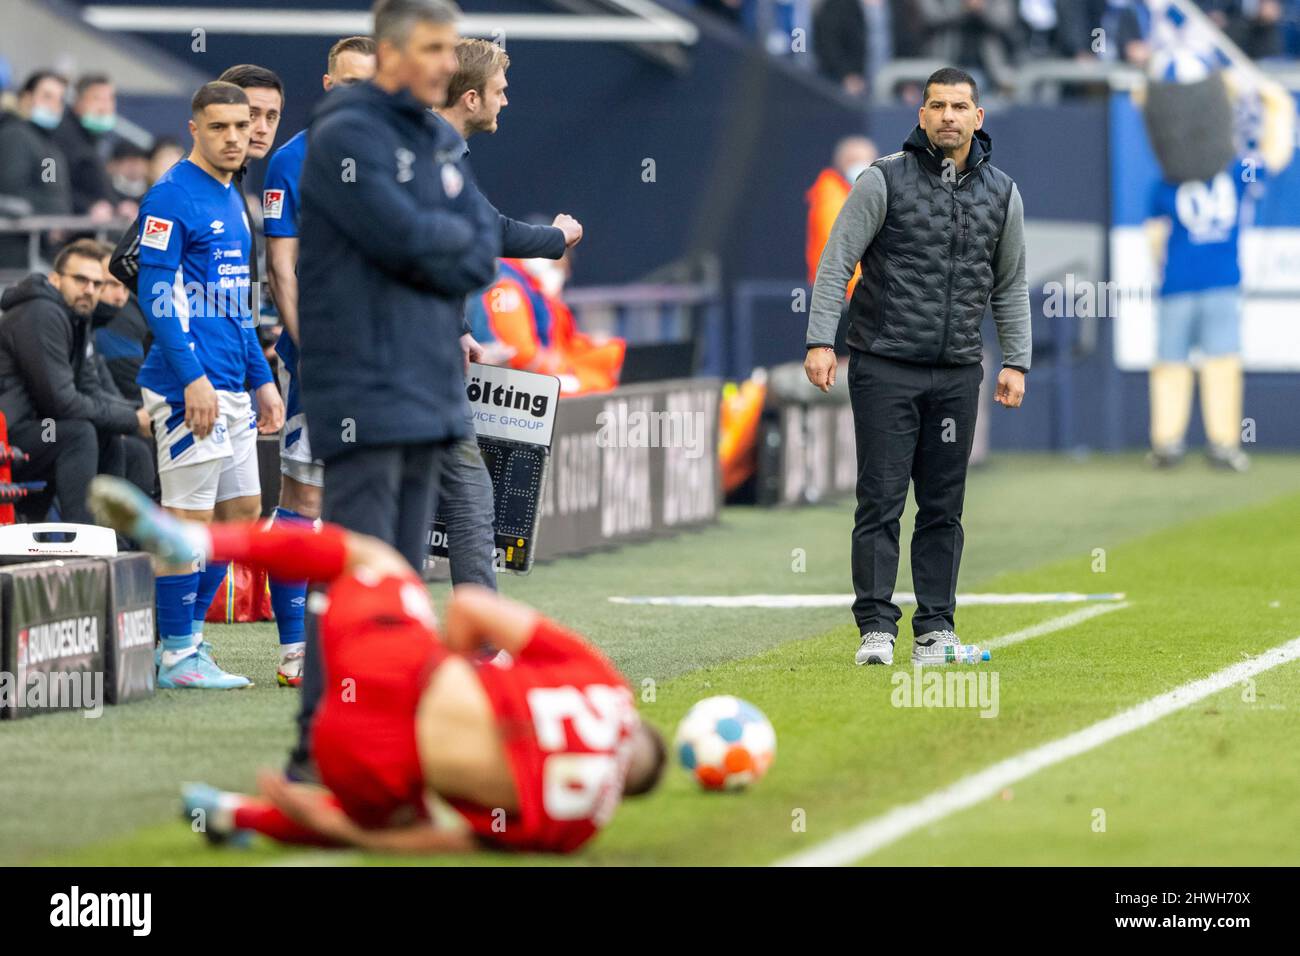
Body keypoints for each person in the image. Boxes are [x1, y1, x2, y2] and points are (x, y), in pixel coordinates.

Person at [88, 475, 667, 854]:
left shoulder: (604, 685)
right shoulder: (578, 827)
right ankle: (237, 813)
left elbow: (470, 604)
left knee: (373, 556)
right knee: (391, 815)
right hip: (367, 767)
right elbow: (440, 839)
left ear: (632, 716)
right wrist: (342, 827)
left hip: (391, 665)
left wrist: (453, 657)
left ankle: (197, 543)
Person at [293, 0, 500, 773]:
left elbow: (479, 248)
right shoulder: (346, 132)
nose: (450, 63)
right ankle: (315, 746)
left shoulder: (430, 135)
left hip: (429, 385)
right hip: (367, 394)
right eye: (436, 47)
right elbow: (402, 236)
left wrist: (439, 246)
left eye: (453, 49)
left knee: (404, 585)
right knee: (356, 577)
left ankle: (387, 734)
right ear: (391, 51)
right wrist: (440, 245)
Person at [803, 67, 1030, 668]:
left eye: (960, 106)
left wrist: (1016, 361)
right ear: (921, 115)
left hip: (958, 371)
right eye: (937, 105)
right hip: (884, 366)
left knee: (943, 504)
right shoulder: (882, 180)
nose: (948, 116)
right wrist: (820, 340)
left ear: (979, 117)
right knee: (879, 499)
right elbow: (836, 262)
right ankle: (876, 627)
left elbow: (1009, 285)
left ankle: (935, 630)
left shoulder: (1004, 193)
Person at [134, 81, 285, 690]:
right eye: (219, 126)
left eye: (241, 126)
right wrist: (192, 377)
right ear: (194, 127)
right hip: (184, 386)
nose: (234, 137)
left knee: (243, 516)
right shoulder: (170, 194)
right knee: (186, 520)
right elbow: (155, 293)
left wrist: (263, 380)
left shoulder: (233, 200)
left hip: (233, 384)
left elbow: (237, 305)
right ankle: (174, 653)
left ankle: (185, 639)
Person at [262, 35, 378, 686]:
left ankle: (353, 638)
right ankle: (294, 648)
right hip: (322, 358)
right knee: (302, 495)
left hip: (384, 358)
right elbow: (283, 267)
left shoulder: (390, 156)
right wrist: (311, 350)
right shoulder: (293, 160)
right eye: (350, 82)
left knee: (365, 499)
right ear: (330, 85)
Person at [0, 239, 152, 523]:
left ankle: (119, 536)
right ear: (56, 279)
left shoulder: (76, 319)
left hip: (43, 426)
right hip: (13, 435)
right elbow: (60, 401)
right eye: (80, 280)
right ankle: (83, 536)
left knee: (117, 440)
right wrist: (133, 419)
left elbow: (91, 389)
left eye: (96, 284)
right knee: (77, 433)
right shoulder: (41, 313)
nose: (89, 290)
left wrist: (139, 414)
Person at [52, 74, 134, 222]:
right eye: (97, 99)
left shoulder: (93, 138)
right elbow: (51, 183)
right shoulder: (61, 136)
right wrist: (87, 207)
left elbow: (98, 185)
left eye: (110, 99)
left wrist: (118, 203)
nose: (105, 107)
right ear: (78, 101)